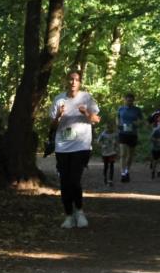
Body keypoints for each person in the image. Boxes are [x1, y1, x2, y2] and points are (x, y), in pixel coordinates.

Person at [50, 69, 101, 228]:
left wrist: (86, 112)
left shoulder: (86, 98)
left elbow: (96, 119)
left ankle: (79, 211)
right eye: (71, 79)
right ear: (66, 81)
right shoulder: (59, 99)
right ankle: (68, 215)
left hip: (81, 145)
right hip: (62, 146)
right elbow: (52, 125)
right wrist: (58, 116)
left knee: (74, 180)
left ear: (80, 82)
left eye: (76, 79)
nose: (73, 82)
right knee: (64, 182)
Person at [116, 93, 144, 183]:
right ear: (124, 100)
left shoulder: (137, 110)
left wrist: (138, 123)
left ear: (133, 101)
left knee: (130, 155)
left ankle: (127, 171)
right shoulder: (121, 109)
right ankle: (122, 173)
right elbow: (117, 117)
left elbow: (141, 120)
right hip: (122, 133)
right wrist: (118, 124)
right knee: (122, 154)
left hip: (132, 134)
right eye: (128, 100)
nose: (129, 102)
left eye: (131, 100)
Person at [96, 121, 119, 187]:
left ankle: (110, 180)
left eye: (110, 127)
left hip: (112, 152)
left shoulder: (115, 134)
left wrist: (117, 148)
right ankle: (105, 178)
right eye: (107, 127)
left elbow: (118, 142)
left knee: (111, 165)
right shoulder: (103, 134)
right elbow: (98, 142)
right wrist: (102, 145)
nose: (109, 128)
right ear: (106, 128)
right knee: (106, 166)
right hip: (105, 152)